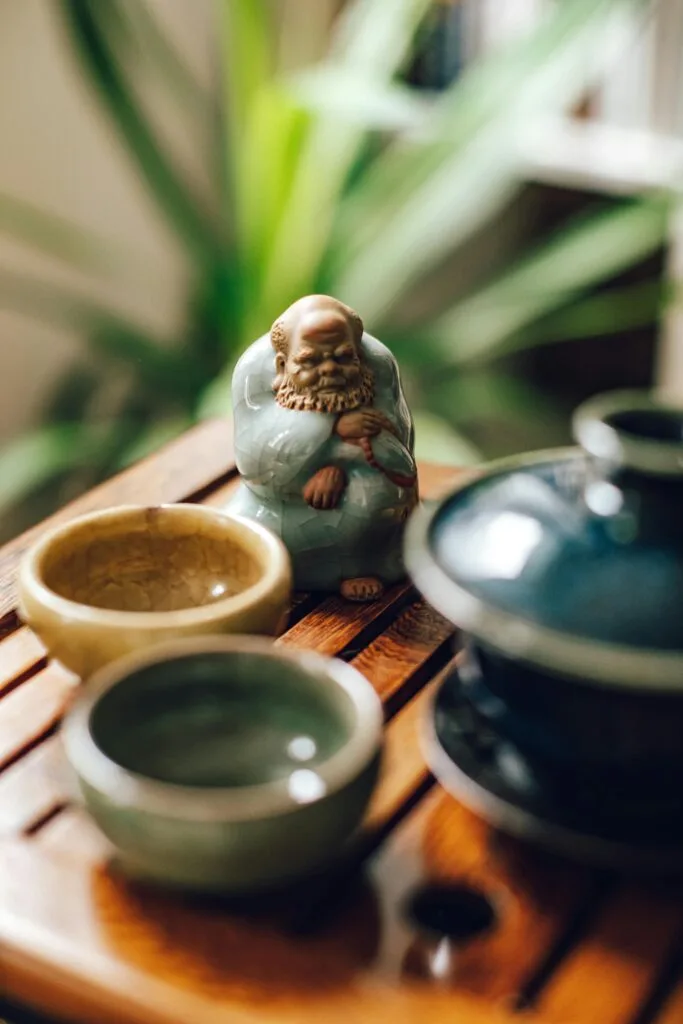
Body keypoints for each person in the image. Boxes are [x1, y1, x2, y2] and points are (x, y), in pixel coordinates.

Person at [228, 295, 417, 600]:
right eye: (311, 360)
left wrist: (338, 466)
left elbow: (399, 454)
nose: (330, 370)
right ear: (282, 365)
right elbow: (256, 465)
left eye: (343, 358)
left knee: (381, 496)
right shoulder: (253, 370)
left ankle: (359, 566)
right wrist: (333, 427)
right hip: (281, 503)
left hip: (360, 496)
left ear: (359, 356)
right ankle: (289, 567)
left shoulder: (378, 364)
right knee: (250, 535)